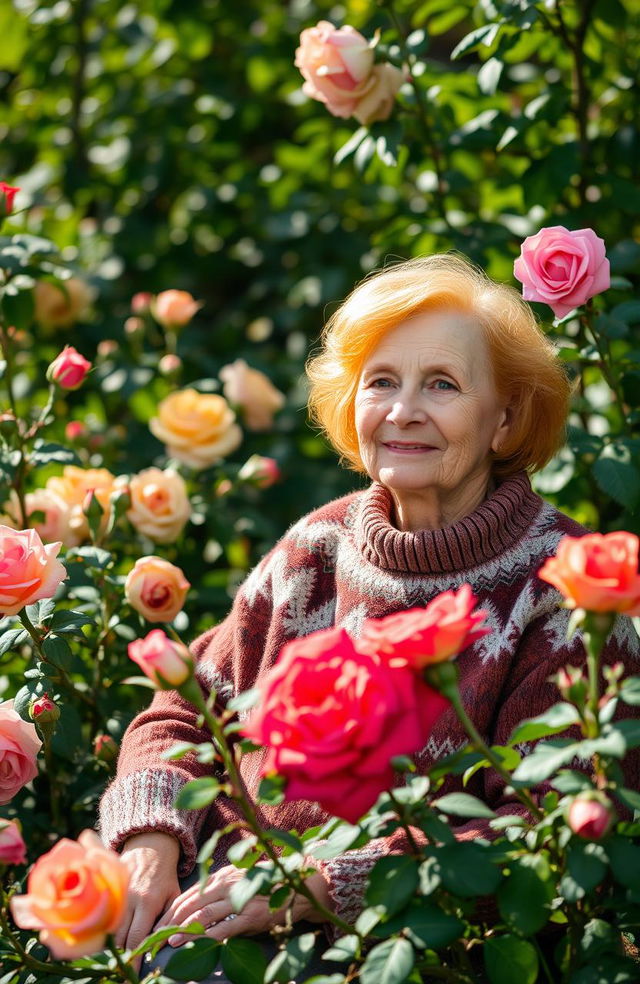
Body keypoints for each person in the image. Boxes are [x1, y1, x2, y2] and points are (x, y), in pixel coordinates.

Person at [99, 253, 639, 978]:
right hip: (207, 920)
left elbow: (552, 845)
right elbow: (184, 710)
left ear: (506, 419)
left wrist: (323, 889)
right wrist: (148, 843)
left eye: (441, 384)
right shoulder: (315, 547)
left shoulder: (565, 590)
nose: (401, 410)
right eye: (380, 381)